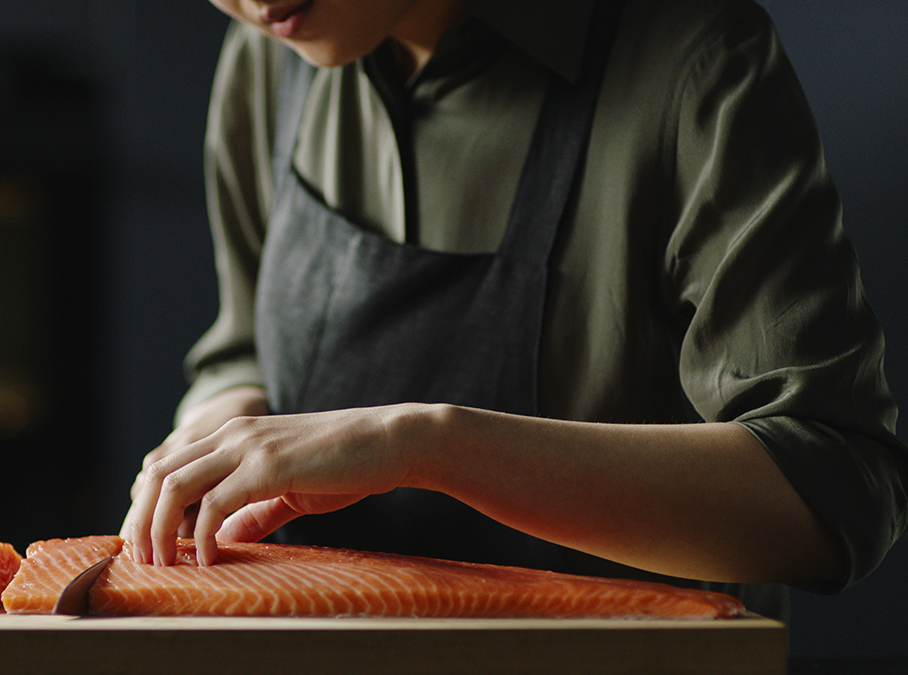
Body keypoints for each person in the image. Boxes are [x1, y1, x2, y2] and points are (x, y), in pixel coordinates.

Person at [122, 0, 908, 619]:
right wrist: (218, 424)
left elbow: (835, 485)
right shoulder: (274, 47)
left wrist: (424, 444)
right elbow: (243, 341)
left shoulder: (695, 60)